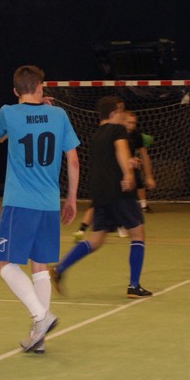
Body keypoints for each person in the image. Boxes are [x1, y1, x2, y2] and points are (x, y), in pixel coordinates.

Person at [0, 65, 80, 354]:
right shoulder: (59, 115)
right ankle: (38, 338)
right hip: (49, 203)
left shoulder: (8, 112)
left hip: (20, 203)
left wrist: (29, 116)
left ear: (16, 90)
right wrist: (71, 198)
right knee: (39, 267)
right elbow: (73, 160)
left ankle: (41, 316)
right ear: (40, 87)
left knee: (2, 262)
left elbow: (0, 137)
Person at [53, 97, 153, 298]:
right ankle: (134, 286)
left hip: (99, 192)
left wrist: (129, 163)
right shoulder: (118, 130)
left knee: (96, 239)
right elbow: (121, 150)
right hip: (118, 191)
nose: (123, 114)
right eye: (121, 110)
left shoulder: (97, 134)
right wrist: (128, 174)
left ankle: (58, 269)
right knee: (138, 234)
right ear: (114, 113)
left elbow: (109, 159)